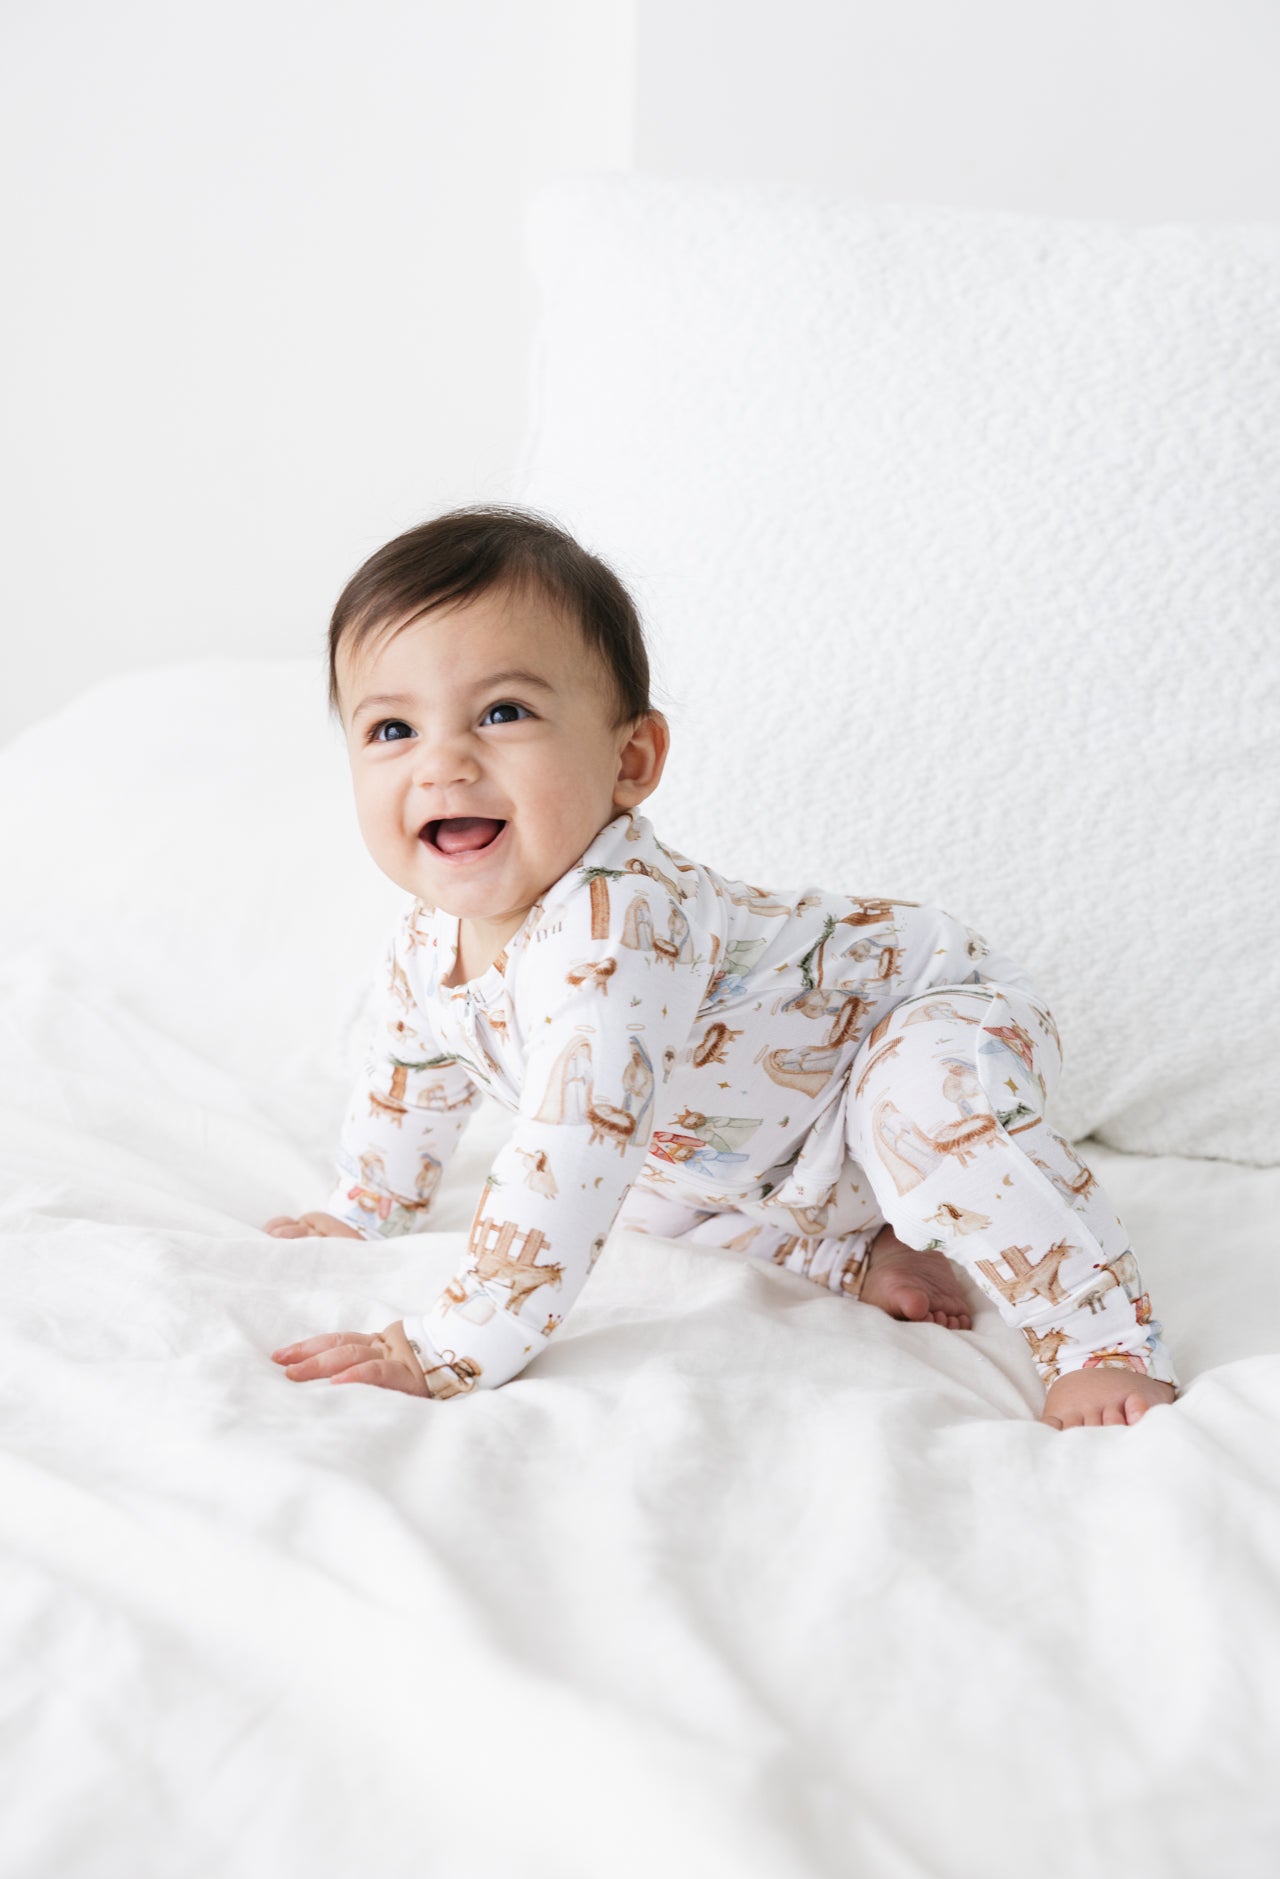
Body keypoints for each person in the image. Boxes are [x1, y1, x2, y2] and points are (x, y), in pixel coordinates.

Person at [265, 506, 1180, 1430]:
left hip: (918, 1017)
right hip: (773, 1147)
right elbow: (411, 1072)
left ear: (630, 759)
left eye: (503, 713)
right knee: (643, 1203)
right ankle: (855, 1248)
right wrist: (367, 1207)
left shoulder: (616, 929)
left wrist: (448, 1348)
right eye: (392, 729)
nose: (442, 765)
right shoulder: (426, 938)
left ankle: (1102, 1340)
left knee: (916, 1117)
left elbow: (569, 1152)